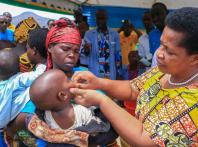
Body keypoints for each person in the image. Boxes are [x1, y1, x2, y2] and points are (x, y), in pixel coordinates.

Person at [70, 7, 198, 146]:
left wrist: (101, 100)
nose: (159, 54)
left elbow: (145, 139)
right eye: (161, 45)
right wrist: (98, 83)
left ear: (195, 58)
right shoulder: (164, 72)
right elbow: (132, 89)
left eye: (169, 51)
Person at [8, 19, 117, 147]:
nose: (72, 55)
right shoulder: (42, 84)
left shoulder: (84, 75)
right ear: (50, 47)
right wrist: (41, 144)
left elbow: (109, 114)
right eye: (65, 49)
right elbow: (13, 129)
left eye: (76, 51)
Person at [0, 48, 46, 146]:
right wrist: (41, 65)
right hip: (10, 121)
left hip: (3, 125)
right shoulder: (18, 79)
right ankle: (36, 144)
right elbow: (38, 75)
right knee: (24, 136)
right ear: (20, 67)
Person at [83, 9, 122, 80]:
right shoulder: (89, 34)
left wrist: (119, 72)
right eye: (98, 18)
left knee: (109, 90)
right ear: (96, 19)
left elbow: (118, 55)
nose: (100, 21)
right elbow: (85, 54)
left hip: (110, 73)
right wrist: (86, 49)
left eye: (102, 18)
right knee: (95, 91)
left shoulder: (114, 34)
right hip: (94, 72)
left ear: (106, 19)